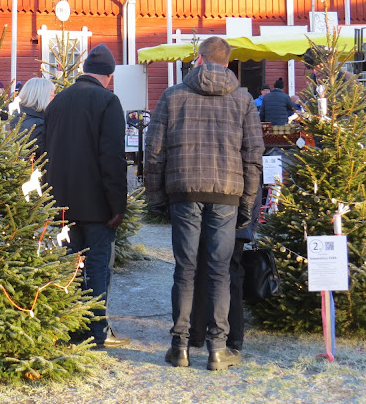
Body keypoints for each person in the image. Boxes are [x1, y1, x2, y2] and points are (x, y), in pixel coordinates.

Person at [144, 36, 263, 370]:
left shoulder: (172, 95)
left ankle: (180, 346)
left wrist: (156, 199)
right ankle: (217, 348)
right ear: (227, 62)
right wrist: (247, 203)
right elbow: (253, 156)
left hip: (184, 191)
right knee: (219, 270)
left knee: (185, 269)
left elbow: (153, 151)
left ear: (199, 59)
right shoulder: (243, 99)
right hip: (226, 193)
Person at [43, 43, 129, 348]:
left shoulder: (57, 102)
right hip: (96, 205)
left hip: (61, 203)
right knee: (96, 267)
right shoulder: (108, 101)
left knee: (70, 268)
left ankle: (70, 329)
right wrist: (118, 204)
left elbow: (45, 151)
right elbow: (112, 157)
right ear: (109, 75)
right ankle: (96, 331)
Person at [189, 181, 263, 352]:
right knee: (232, 277)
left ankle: (198, 333)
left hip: (213, 219)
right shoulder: (247, 167)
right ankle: (234, 336)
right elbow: (254, 191)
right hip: (238, 222)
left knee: (203, 274)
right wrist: (249, 224)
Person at [9, 77, 55, 156]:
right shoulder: (36, 125)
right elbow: (48, 152)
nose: (54, 99)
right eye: (52, 95)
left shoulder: (23, 116)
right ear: (41, 97)